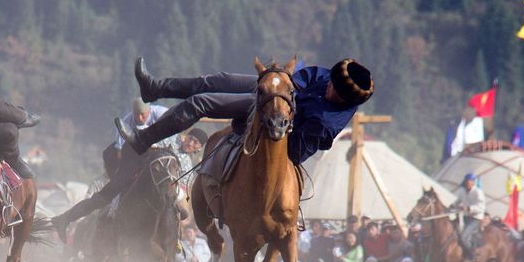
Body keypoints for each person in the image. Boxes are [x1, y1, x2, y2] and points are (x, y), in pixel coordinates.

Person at [117, 57, 374, 165]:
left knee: (201, 103)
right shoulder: (334, 79)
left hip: (275, 118)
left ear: (343, 98)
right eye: (330, 81)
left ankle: (143, 139)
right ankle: (155, 88)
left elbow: (296, 152)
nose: (328, 84)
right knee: (218, 79)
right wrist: (280, 83)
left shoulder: (327, 122)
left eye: (333, 89)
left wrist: (281, 111)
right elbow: (302, 77)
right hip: (279, 93)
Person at [51, 98, 200, 242]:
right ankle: (64, 219)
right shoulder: (127, 123)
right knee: (104, 197)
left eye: (144, 115)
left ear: (150, 111)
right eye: (137, 115)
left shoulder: (161, 114)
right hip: (131, 158)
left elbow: (173, 135)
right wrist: (122, 178)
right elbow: (121, 155)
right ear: (133, 113)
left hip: (158, 162)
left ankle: (170, 231)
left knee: (170, 193)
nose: (141, 118)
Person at [456, 173, 487, 253]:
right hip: (465, 217)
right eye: (467, 181)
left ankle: (472, 254)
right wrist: (451, 206)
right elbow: (457, 201)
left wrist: (469, 208)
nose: (468, 183)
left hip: (475, 219)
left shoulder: (478, 192)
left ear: (473, 182)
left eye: (470, 181)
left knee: (464, 238)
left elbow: (481, 207)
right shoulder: (462, 191)